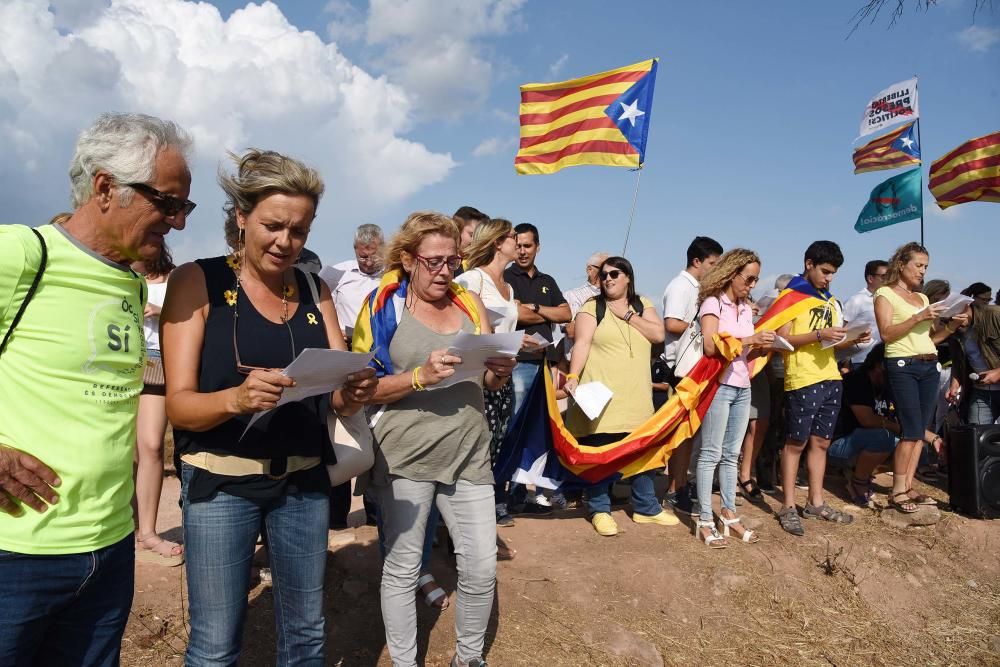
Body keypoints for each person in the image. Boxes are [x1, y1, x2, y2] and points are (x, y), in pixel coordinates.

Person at [161, 149, 377, 665]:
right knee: (214, 644)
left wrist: (352, 393)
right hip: (220, 486)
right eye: (273, 225)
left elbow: (333, 395)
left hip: (302, 485)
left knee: (305, 635)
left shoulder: (313, 289)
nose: (285, 241)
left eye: (299, 230)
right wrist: (235, 398)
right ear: (241, 218)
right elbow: (179, 408)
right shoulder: (198, 281)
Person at [0, 112, 194, 665]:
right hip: (17, 552)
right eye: (168, 203)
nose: (178, 222)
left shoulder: (131, 282)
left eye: (185, 207)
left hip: (109, 552)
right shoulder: (21, 255)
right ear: (106, 187)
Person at [353, 211, 515, 667]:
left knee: (481, 567)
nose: (446, 271)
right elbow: (362, 388)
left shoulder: (468, 303)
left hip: (469, 453)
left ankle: (468, 658)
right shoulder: (382, 307)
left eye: (453, 260)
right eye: (434, 262)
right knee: (403, 569)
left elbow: (487, 379)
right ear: (407, 259)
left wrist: (496, 373)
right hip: (405, 456)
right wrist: (420, 376)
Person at [564, 257, 676, 536]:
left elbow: (658, 333)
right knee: (601, 452)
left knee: (642, 453)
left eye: (614, 274)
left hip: (636, 396)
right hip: (601, 396)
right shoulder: (592, 307)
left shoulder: (642, 304)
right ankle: (600, 509)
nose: (608, 279)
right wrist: (573, 376)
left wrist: (627, 315)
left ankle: (646, 508)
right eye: (603, 275)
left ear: (628, 277)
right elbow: (582, 343)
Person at [775, 241, 866, 536]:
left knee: (822, 443)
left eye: (833, 273)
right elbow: (782, 338)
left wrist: (852, 340)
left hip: (830, 376)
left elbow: (832, 342)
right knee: (795, 443)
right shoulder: (791, 296)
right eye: (825, 271)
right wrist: (818, 334)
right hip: (802, 377)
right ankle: (788, 505)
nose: (829, 278)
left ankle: (816, 502)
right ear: (809, 263)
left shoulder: (831, 299)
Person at [873, 242, 967, 514]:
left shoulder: (923, 298)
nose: (922, 271)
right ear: (901, 265)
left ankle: (907, 485)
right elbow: (887, 334)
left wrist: (951, 326)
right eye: (918, 265)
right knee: (911, 430)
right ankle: (897, 491)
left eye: (926, 266)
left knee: (919, 431)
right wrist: (918, 317)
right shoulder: (885, 294)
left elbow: (930, 339)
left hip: (928, 364)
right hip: (902, 365)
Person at [692, 250, 774, 547]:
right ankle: (703, 518)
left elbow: (741, 351)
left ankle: (728, 512)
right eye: (748, 278)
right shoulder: (713, 303)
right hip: (719, 384)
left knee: (731, 455)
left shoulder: (743, 307)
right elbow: (711, 346)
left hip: (742, 384)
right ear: (731, 273)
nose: (752, 285)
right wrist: (751, 339)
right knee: (711, 453)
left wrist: (764, 346)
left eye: (756, 279)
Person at [455, 219, 520, 527]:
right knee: (471, 452)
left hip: (504, 378)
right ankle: (457, 523)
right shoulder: (472, 279)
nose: (518, 243)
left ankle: (476, 519)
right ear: (497, 242)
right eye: (513, 237)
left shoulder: (509, 287)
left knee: (493, 449)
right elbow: (459, 325)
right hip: (476, 380)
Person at [504, 222, 571, 512]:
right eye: (518, 245)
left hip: (543, 364)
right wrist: (540, 314)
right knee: (514, 427)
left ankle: (523, 495)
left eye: (527, 245)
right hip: (516, 363)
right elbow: (512, 312)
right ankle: (504, 497)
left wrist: (533, 308)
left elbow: (566, 313)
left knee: (537, 429)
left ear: (537, 247)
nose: (522, 251)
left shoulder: (548, 280)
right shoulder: (506, 277)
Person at [660, 236, 723, 514]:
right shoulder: (681, 286)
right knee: (682, 434)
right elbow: (672, 324)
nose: (716, 268)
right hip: (681, 369)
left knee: (689, 433)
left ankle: (680, 485)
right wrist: (702, 321)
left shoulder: (697, 287)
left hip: (693, 369)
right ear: (697, 261)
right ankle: (675, 489)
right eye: (713, 263)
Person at [131, 246, 184, 566]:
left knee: (151, 446)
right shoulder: (120, 272)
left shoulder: (177, 277)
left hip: (160, 362)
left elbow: (190, 321)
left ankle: (148, 533)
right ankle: (133, 529)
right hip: (120, 362)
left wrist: (157, 309)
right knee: (126, 452)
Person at [827, 344, 903, 506]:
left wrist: (934, 439)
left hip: (864, 441)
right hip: (839, 444)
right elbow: (867, 420)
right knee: (885, 437)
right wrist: (898, 428)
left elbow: (908, 424)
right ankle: (858, 482)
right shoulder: (857, 381)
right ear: (880, 365)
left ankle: (859, 470)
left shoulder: (888, 385)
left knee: (916, 447)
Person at [946, 282, 1000, 425]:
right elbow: (958, 363)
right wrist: (954, 386)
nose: (954, 322)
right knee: (977, 436)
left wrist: (998, 373)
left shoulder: (995, 315)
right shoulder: (955, 331)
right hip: (980, 391)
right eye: (950, 319)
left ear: (966, 306)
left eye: (957, 316)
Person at [322, 223, 384, 344]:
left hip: (381, 347)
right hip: (345, 347)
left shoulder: (393, 275)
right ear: (355, 248)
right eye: (363, 257)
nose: (369, 263)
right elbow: (321, 309)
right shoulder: (337, 273)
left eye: (374, 256)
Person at [841, 260, 888, 369]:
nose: (888, 280)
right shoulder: (857, 300)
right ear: (870, 278)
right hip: (861, 360)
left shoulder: (891, 300)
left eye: (890, 276)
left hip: (886, 359)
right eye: (884, 276)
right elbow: (839, 328)